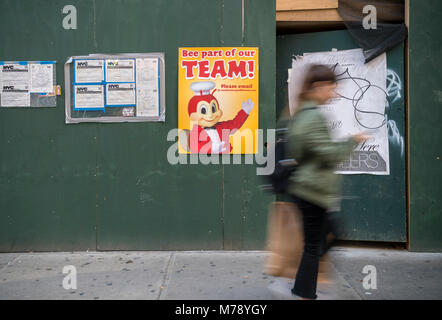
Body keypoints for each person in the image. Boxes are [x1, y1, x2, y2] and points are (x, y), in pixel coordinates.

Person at [285, 64, 368, 300]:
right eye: (331, 87)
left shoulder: (302, 113)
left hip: (309, 190)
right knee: (314, 246)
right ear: (318, 87)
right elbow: (330, 155)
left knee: (323, 238)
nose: (334, 93)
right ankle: (304, 293)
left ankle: (301, 287)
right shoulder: (313, 118)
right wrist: (353, 141)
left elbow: (300, 150)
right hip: (313, 192)